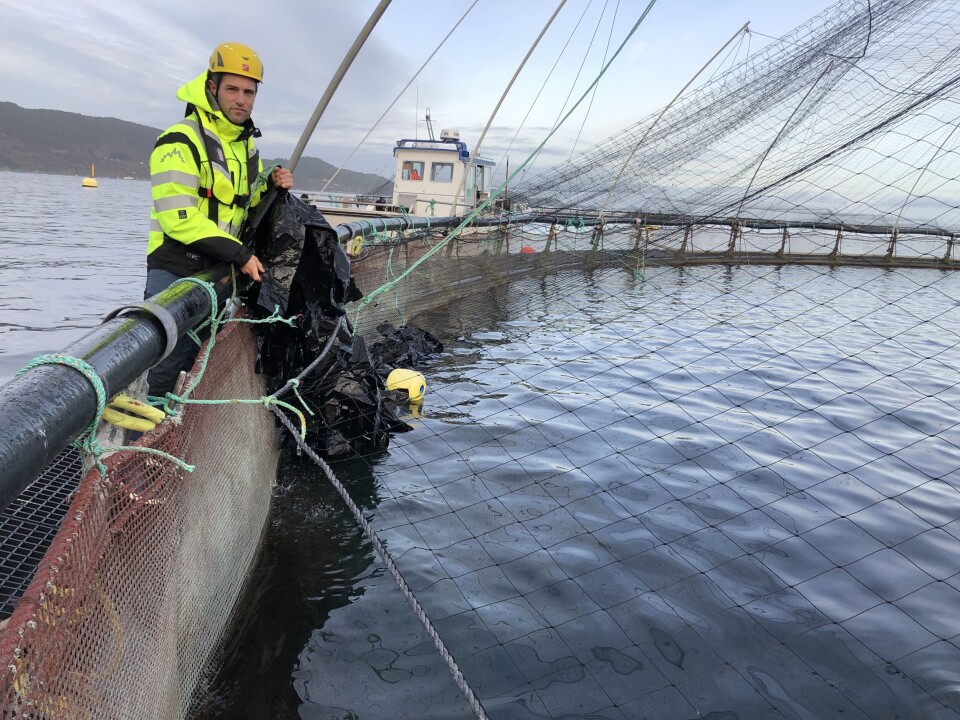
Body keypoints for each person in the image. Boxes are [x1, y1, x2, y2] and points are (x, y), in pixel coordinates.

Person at [145, 41, 294, 398]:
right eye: (232, 89)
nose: (241, 99)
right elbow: (179, 218)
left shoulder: (245, 146)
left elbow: (245, 201)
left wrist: (272, 181)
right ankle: (146, 441)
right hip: (176, 272)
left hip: (219, 273)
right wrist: (240, 255)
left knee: (198, 364)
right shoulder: (179, 140)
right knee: (167, 368)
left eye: (248, 91)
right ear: (212, 87)